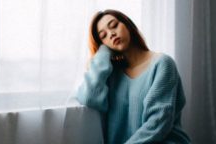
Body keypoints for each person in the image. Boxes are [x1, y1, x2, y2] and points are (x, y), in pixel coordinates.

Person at [76, 9, 191, 143]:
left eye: (114, 25)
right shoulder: (112, 75)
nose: (111, 34)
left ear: (127, 24)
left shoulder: (162, 64)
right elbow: (90, 97)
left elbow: (158, 122)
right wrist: (103, 52)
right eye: (103, 36)